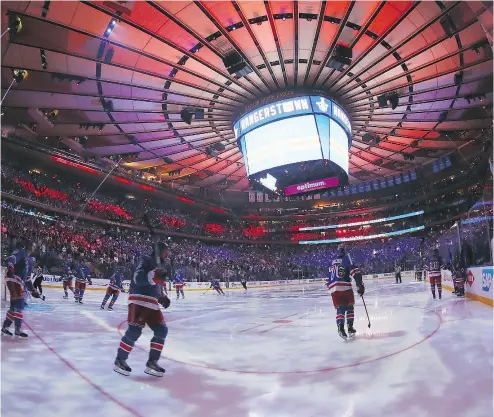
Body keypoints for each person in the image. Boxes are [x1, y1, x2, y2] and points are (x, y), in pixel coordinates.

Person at [114, 242, 171, 377]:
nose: (167, 254)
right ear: (159, 251)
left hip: (152, 303)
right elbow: (137, 278)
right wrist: (152, 276)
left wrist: (162, 296)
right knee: (134, 331)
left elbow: (157, 286)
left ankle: (152, 362)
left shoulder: (161, 266)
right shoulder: (145, 260)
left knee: (162, 330)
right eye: (165, 251)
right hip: (138, 300)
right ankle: (120, 360)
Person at [2, 242, 42, 338]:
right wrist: (11, 267)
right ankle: (18, 329)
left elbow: (27, 280)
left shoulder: (29, 260)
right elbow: (10, 259)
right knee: (19, 304)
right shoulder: (22, 252)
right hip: (14, 279)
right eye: (33, 246)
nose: (34, 248)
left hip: (16, 281)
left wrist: (33, 290)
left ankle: (5, 327)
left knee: (14, 307)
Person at [327, 247, 365, 341]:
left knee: (340, 308)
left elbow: (327, 280)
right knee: (349, 306)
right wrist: (360, 285)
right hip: (345, 286)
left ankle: (340, 328)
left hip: (332, 288)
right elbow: (355, 272)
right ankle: (350, 328)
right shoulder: (346, 259)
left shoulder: (331, 263)